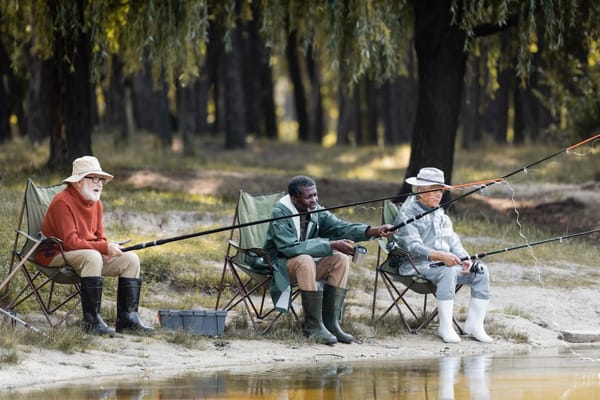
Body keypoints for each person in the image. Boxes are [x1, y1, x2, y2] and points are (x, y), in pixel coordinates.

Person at [264, 175, 393, 345]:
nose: (314, 200)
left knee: (340, 259)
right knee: (304, 259)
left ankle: (331, 323)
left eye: (315, 195)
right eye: (308, 196)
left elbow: (340, 227)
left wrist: (372, 231)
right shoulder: (280, 213)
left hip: (305, 268)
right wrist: (330, 244)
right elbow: (290, 248)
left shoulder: (316, 210)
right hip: (280, 267)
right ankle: (313, 326)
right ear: (294, 198)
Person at [36, 156, 154, 337]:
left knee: (131, 259)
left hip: (85, 255)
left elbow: (100, 238)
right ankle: (91, 322)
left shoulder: (97, 203)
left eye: (101, 180)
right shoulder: (62, 201)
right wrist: (103, 248)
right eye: (94, 178)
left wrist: (109, 248)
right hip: (56, 253)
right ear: (78, 182)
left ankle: (128, 320)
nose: (99, 183)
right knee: (93, 256)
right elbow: (70, 242)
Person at [390, 167, 492, 343]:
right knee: (448, 271)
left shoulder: (439, 213)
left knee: (481, 271)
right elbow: (413, 247)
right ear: (420, 191)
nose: (439, 195)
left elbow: (453, 240)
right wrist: (440, 256)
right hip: (416, 266)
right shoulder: (407, 213)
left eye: (441, 190)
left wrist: (465, 258)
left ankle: (474, 325)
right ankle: (445, 327)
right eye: (434, 190)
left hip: (442, 265)